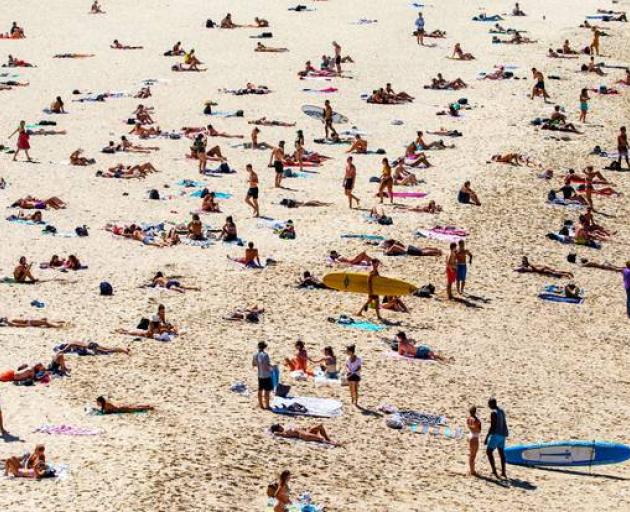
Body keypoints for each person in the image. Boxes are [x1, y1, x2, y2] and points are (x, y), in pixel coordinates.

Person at [485, 398, 509, 480]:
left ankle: (494, 471)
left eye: (489, 404)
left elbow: (492, 426)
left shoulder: (493, 413)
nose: (488, 406)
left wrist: (487, 437)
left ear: (492, 404)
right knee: (501, 453)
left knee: (489, 452)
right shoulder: (501, 411)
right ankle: (503, 472)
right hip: (503, 434)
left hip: (496, 435)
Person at [270, 423, 341, 446]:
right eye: (279, 426)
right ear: (278, 429)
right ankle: (333, 443)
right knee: (321, 439)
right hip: (304, 435)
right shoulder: (284, 433)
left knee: (320, 426)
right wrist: (276, 433)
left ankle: (329, 439)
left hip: (306, 432)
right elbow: (276, 434)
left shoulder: (286, 429)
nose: (281, 426)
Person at [253, 342, 273, 409]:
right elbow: (266, 365)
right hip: (266, 375)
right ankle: (267, 405)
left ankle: (261, 405)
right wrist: (271, 369)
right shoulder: (265, 355)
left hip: (260, 375)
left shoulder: (255, 355)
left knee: (260, 390)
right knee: (267, 391)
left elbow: (254, 364)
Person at [467, 406, 482, 476]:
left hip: (471, 436)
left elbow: (470, 427)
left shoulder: (468, 419)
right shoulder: (477, 420)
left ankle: (472, 470)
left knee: (471, 455)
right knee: (473, 456)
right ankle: (472, 471)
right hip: (475, 438)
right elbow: (479, 430)